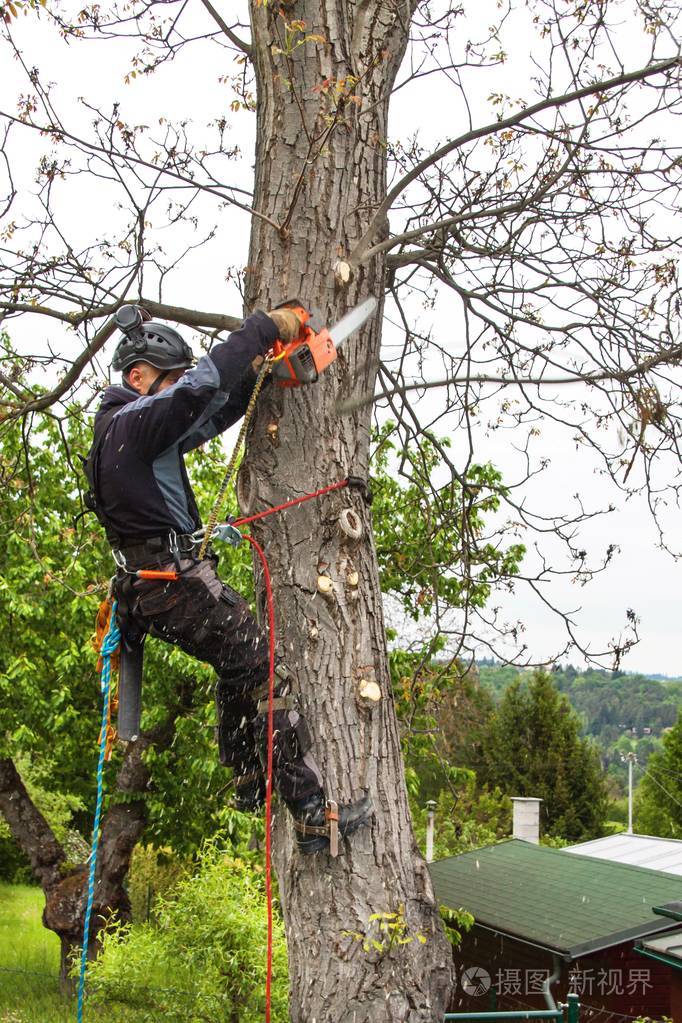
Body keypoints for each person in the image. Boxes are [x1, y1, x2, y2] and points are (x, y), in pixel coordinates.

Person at [86, 303, 372, 854]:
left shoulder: (127, 434)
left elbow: (208, 411)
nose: (174, 390)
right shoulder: (134, 423)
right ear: (138, 376)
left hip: (153, 589)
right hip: (171, 584)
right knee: (264, 670)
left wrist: (258, 379)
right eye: (166, 380)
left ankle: (246, 776)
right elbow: (196, 390)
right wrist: (265, 328)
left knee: (235, 661)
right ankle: (311, 812)